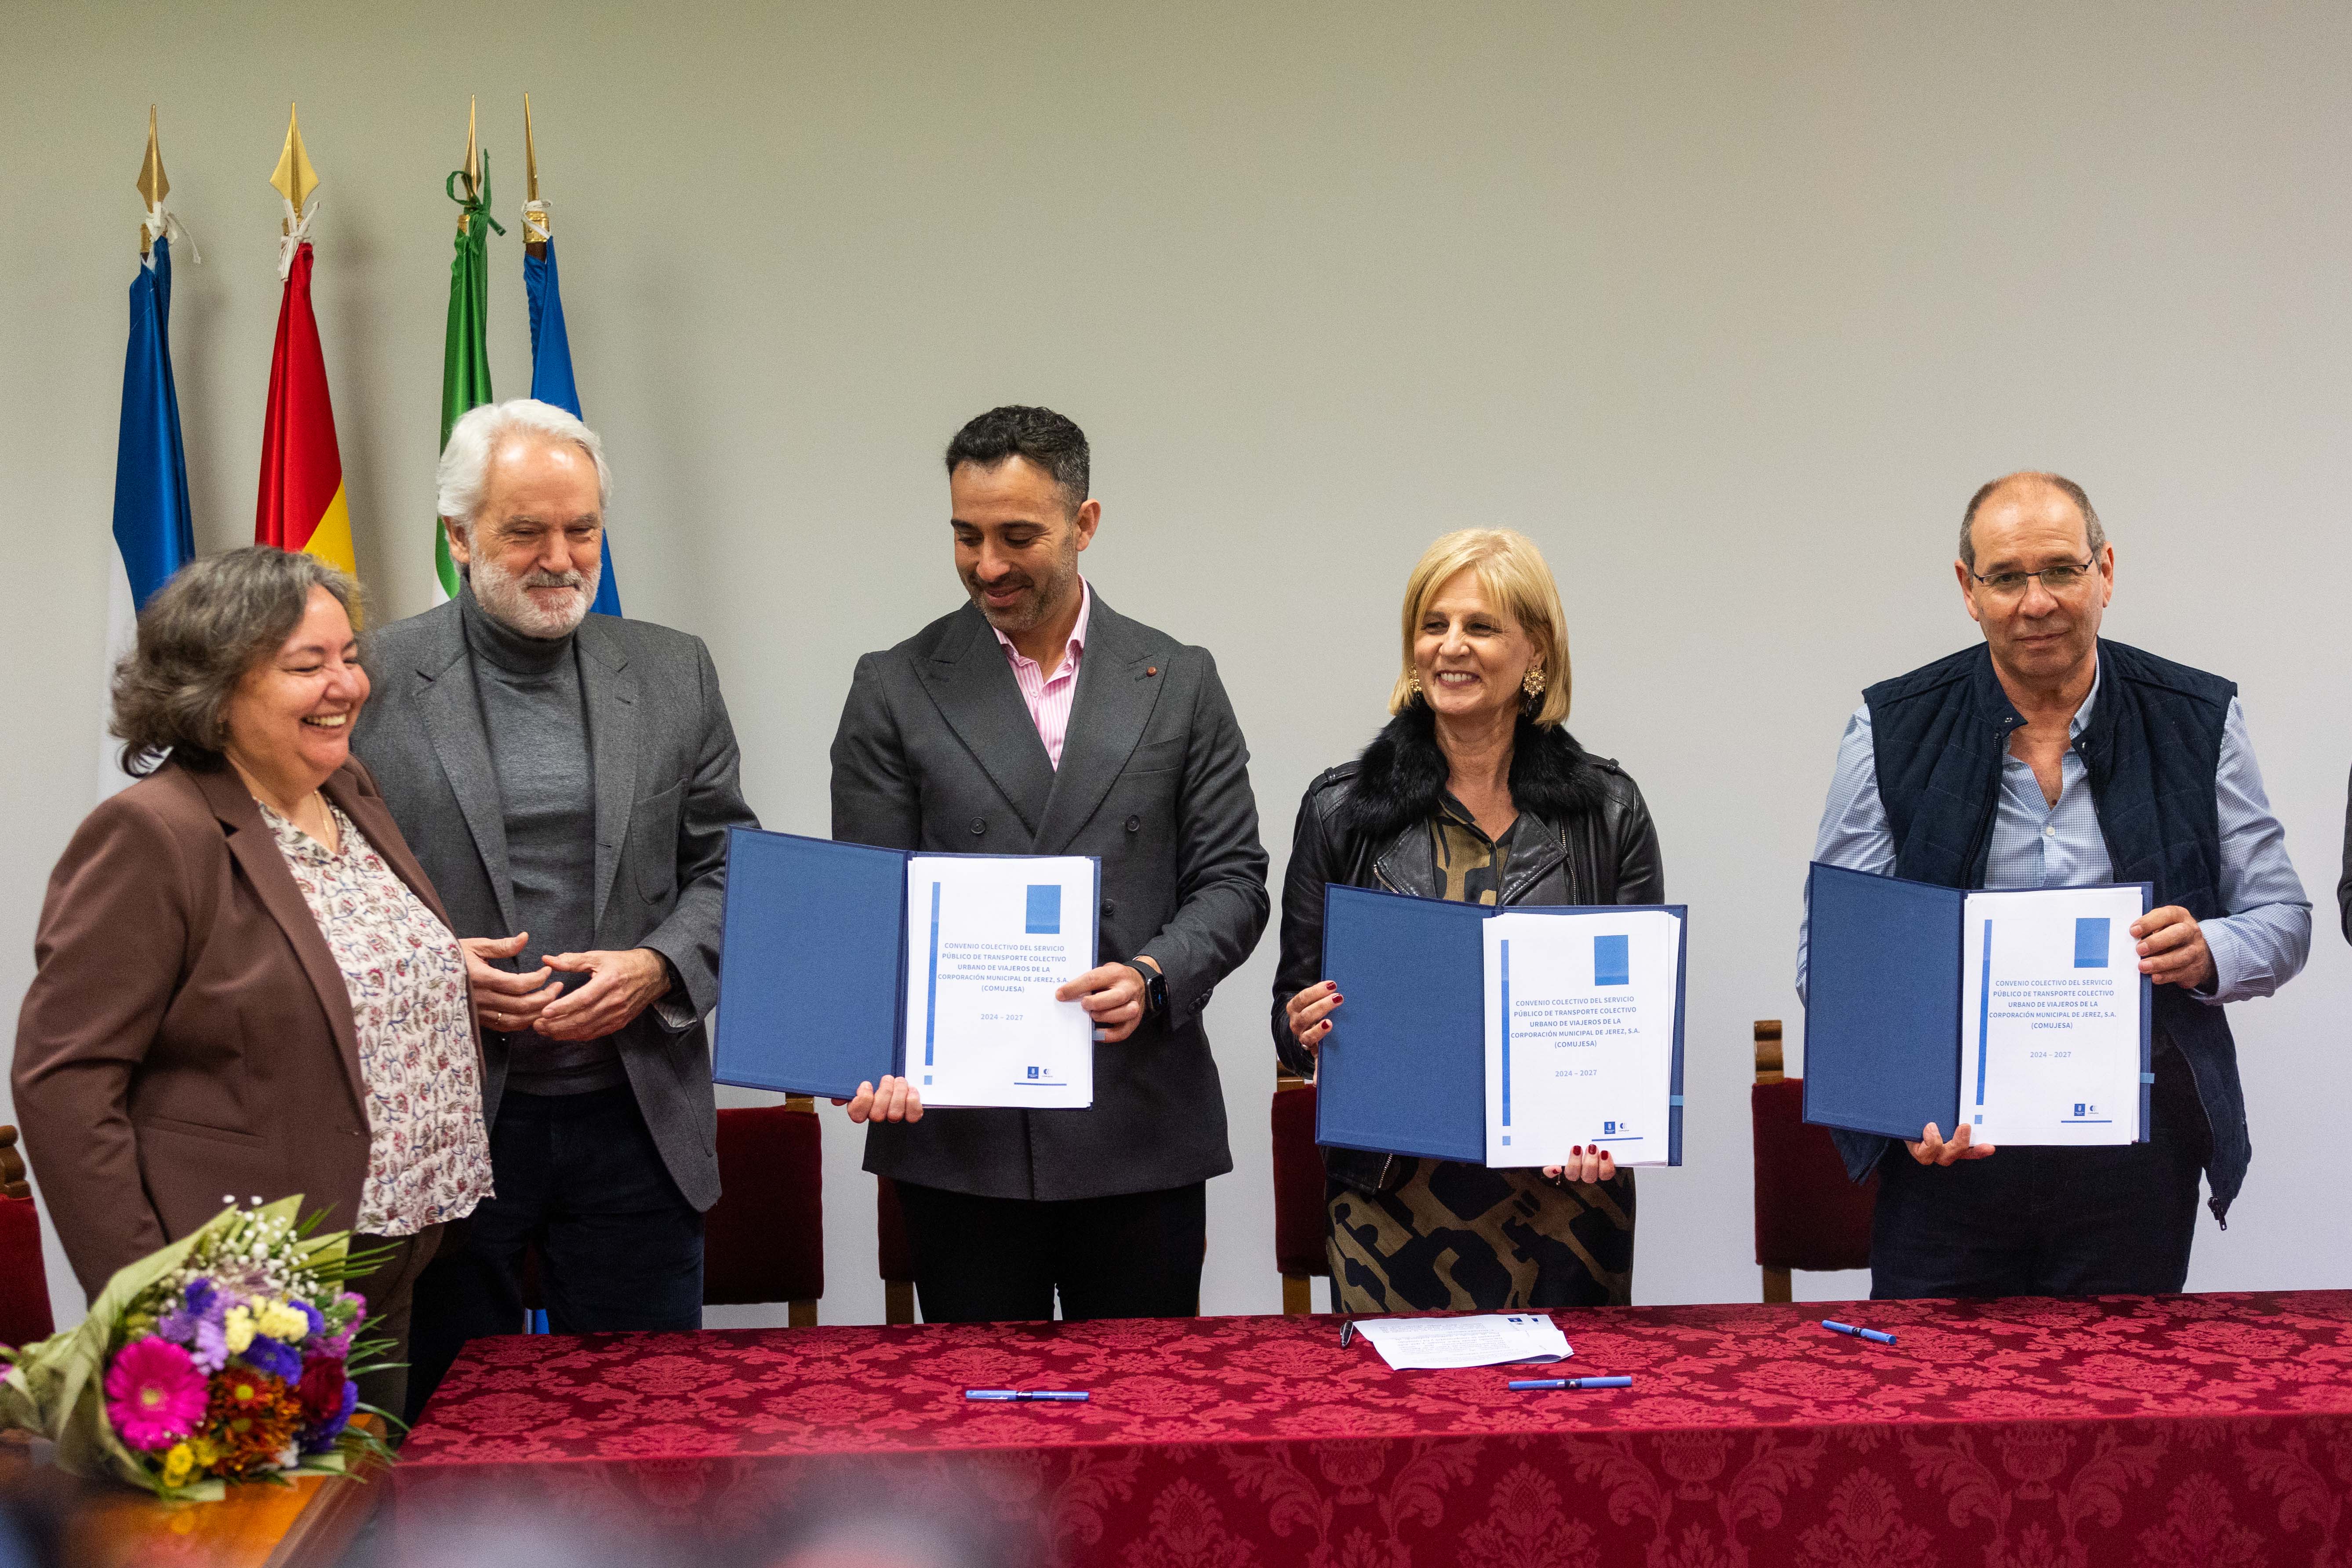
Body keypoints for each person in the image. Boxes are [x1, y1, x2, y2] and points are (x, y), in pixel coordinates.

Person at [352, 399, 846, 1421]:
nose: (559, 556)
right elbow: (325, 885)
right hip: (448, 1126)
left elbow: (729, 868)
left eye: (581, 527)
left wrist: (658, 967)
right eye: (524, 529)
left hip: (637, 1121)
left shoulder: (672, 671)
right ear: (457, 535)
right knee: (454, 1433)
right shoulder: (368, 678)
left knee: (643, 1430)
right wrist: (436, 973)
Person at [1799, 472, 2309, 1298]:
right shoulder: (1891, 727)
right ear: (1969, 589)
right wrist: (1905, 1104)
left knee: (2117, 1412)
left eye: (2062, 571)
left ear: (2105, 570)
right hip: (1951, 1146)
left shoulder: (2199, 716)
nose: (2037, 601)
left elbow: (2285, 919)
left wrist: (2209, 947)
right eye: (2007, 577)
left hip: (2134, 1153)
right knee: (1934, 1411)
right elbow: (1839, 955)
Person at [14, 548, 490, 1418]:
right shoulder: (153, 833)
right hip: (241, 1299)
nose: (345, 683)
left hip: (391, 1254)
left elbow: (313, 964)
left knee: (366, 1529)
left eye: (349, 655)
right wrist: (152, 1311)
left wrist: (440, 970)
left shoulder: (346, 785)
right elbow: (65, 1079)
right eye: (307, 665)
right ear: (211, 692)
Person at [831, 404, 1269, 1322]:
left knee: (1145, 1437)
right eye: (966, 535)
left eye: (1017, 535)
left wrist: (1154, 974)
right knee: (983, 1444)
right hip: (961, 1141)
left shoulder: (1179, 678)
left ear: (1085, 523)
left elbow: (1233, 881)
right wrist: (875, 1048)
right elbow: (867, 910)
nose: (987, 564)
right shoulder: (895, 686)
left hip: (1139, 1121)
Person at [1272, 529, 1662, 1311]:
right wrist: (1303, 1023)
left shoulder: (1609, 813)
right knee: (1402, 1429)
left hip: (1567, 1203)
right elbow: (1290, 1017)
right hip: (1391, 1202)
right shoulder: (1340, 810)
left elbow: (1637, 1028)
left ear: (1536, 651)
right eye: (1432, 624)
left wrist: (1612, 1120)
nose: (1451, 646)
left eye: (1480, 627)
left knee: (1567, 1427)